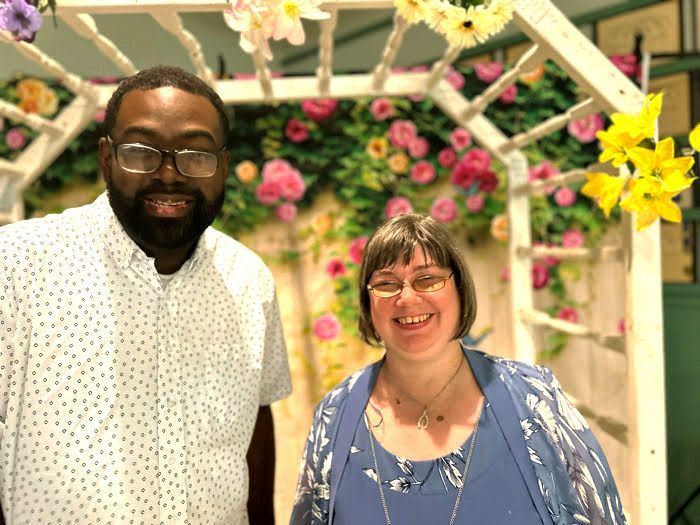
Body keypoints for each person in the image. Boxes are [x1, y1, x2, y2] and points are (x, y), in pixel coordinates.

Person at [0, 65, 291, 524]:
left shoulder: (248, 279)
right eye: (140, 151)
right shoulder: (17, 266)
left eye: (196, 154)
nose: (169, 175)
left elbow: (256, 421)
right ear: (106, 157)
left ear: (224, 165)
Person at [290, 214, 626, 524]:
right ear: (367, 303)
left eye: (428, 279)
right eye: (387, 284)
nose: (407, 298)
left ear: (461, 290)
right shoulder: (334, 416)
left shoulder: (536, 400)